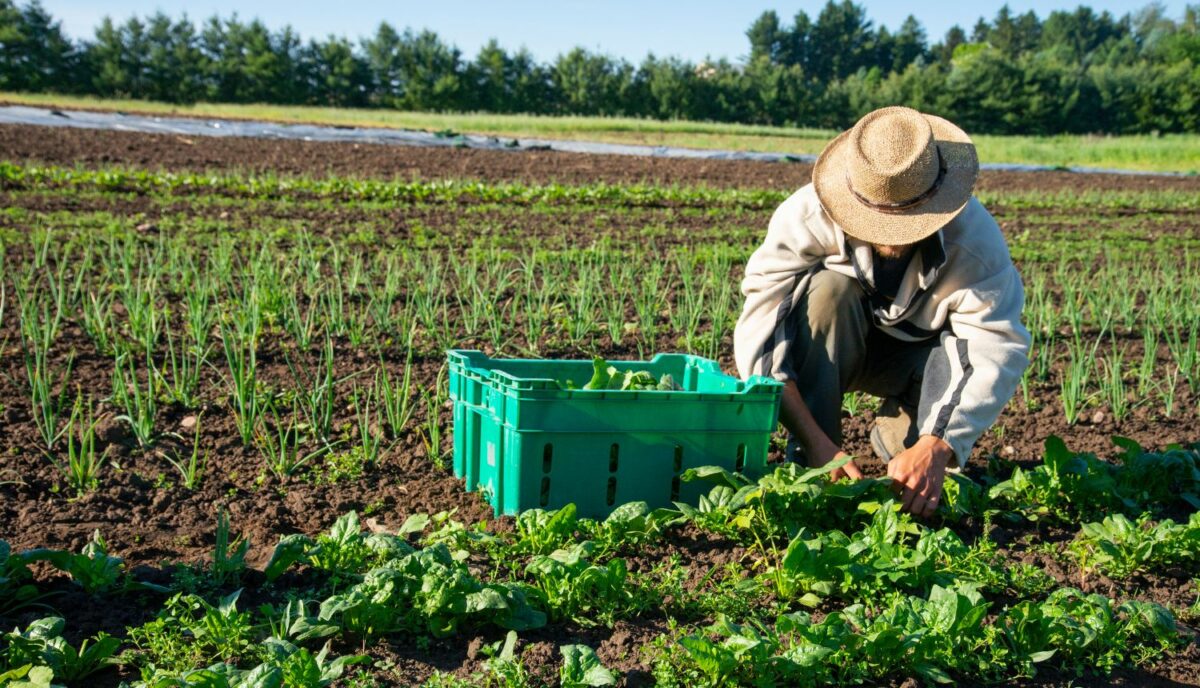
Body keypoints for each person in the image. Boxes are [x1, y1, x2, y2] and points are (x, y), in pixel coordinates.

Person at [733, 106, 1030, 518]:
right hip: (836, 345)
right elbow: (762, 338)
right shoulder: (805, 216)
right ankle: (812, 462)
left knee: (919, 474)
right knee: (827, 292)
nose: (891, 236)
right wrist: (819, 446)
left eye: (907, 220)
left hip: (916, 362)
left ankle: (904, 435)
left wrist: (937, 445)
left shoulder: (974, 242)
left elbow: (994, 347)